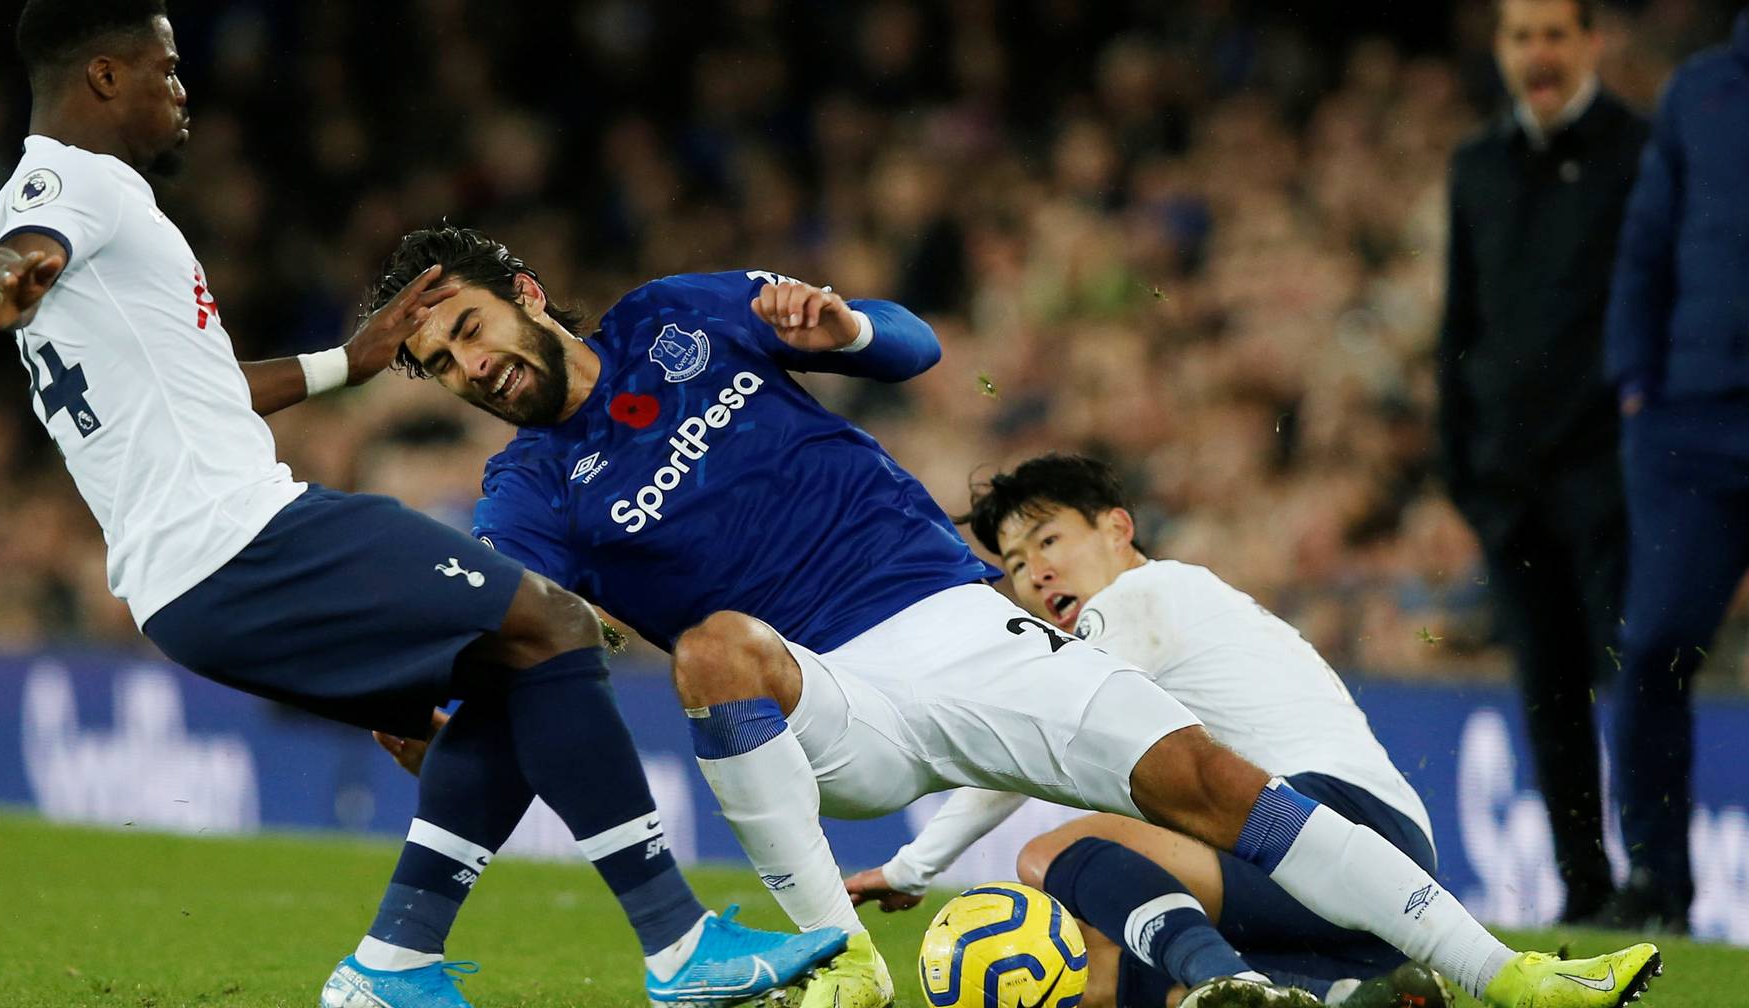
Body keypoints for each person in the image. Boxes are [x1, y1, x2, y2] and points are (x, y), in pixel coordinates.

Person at [367, 222, 1660, 1008]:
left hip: (960, 621)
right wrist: (427, 694)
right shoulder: (529, 487)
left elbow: (914, 349)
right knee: (713, 647)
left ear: (525, 293)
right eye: (439, 365)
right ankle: (837, 962)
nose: (469, 368)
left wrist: (848, 320)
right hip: (829, 703)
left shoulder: (675, 317)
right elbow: (512, 618)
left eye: (468, 330)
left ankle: (1512, 971)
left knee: (1209, 776)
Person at [0, 4, 845, 1007]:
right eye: (166, 71)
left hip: (193, 576)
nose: (183, 94)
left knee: (517, 675)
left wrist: (355, 359)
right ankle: (677, 947)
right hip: (240, 539)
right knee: (552, 624)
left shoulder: (98, 205)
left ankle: (395, 966)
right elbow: (33, 237)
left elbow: (200, 385)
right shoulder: (70, 186)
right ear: (107, 77)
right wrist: (10, 269)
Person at [841, 454, 1447, 1008]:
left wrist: (912, 867)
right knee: (1097, 968)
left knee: (1051, 854)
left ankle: (1230, 983)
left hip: (1339, 822)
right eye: (1018, 564)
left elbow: (1028, 743)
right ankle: (1338, 995)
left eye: (1050, 540)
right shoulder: (1183, 603)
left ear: (1117, 530)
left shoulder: (1144, 594)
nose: (1038, 574)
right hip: (1374, 891)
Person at [1436, 0, 1649, 924]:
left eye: (1555, 33)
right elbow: (1460, 324)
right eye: (1521, 36)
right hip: (1511, 488)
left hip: (1614, 481)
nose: (1538, 54)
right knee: (1549, 695)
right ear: (1500, 49)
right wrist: (1462, 467)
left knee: (1636, 680)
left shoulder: (1642, 155)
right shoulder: (1476, 166)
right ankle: (1584, 888)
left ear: (1592, 42)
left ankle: (1657, 877)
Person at [1599, 5, 1749, 934]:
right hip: (1694, 418)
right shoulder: (1702, 90)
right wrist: (1635, 385)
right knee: (1653, 646)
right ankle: (1655, 885)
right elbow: (1646, 243)